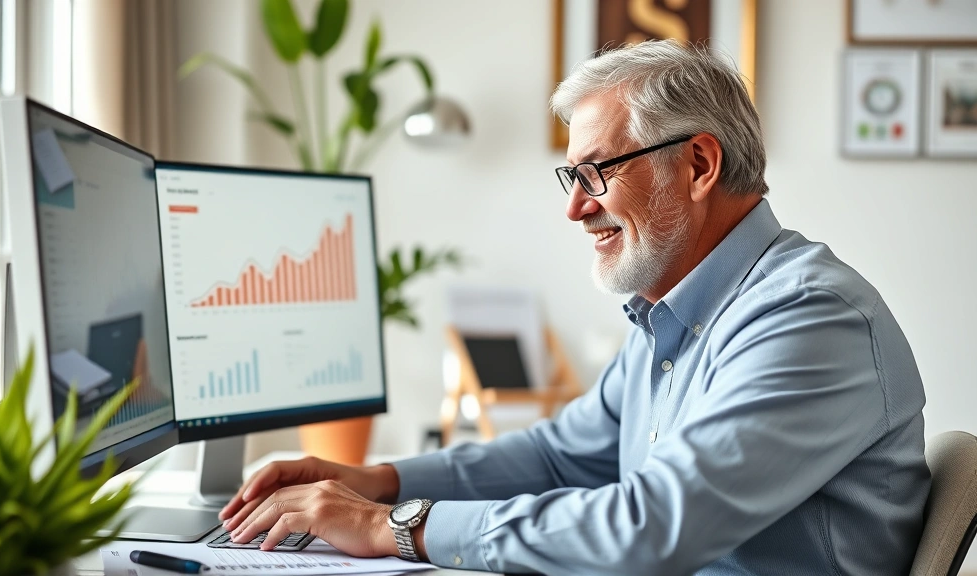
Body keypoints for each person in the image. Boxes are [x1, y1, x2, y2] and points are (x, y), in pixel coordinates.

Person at [219, 39, 930, 575]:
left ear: (699, 165)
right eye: (572, 175)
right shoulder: (673, 314)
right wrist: (380, 481)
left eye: (596, 171)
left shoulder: (808, 318)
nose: (575, 207)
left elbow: (652, 527)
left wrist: (394, 526)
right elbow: (561, 457)